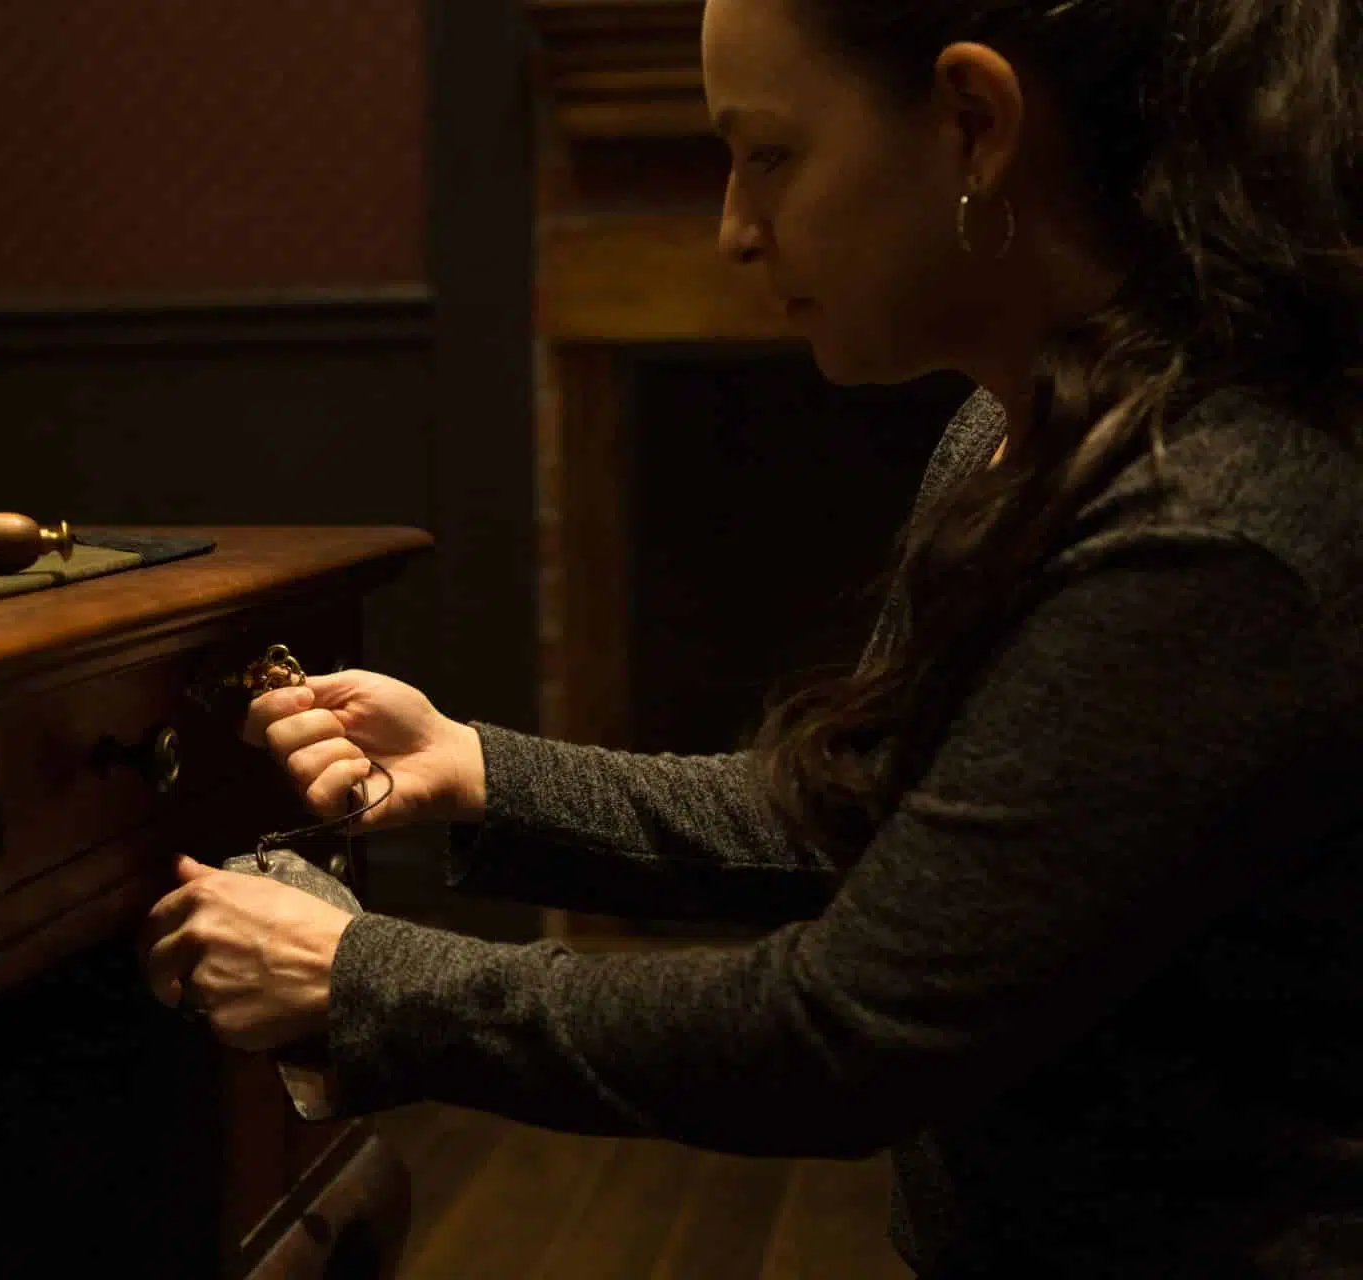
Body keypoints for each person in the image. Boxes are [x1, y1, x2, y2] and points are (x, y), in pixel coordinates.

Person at [139, 0, 1363, 1272]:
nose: (733, 227)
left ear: (973, 122)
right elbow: (871, 824)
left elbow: (850, 1027)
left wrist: (362, 977)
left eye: (769, 153)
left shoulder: (1214, 526)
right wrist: (475, 767)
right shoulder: (1011, 435)